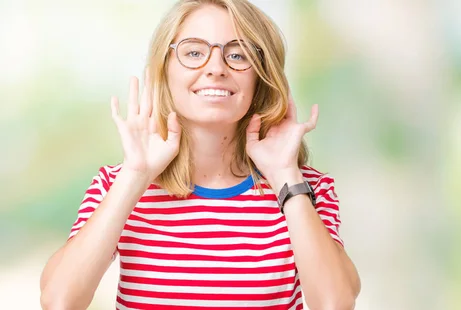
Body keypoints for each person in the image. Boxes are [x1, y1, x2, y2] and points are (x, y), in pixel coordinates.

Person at [39, 0, 360, 309]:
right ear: (164, 71)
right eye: (194, 52)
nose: (216, 68)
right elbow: (59, 301)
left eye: (238, 55)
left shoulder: (306, 189)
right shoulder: (116, 184)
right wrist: (135, 175)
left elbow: (334, 304)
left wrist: (285, 176)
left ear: (261, 77)